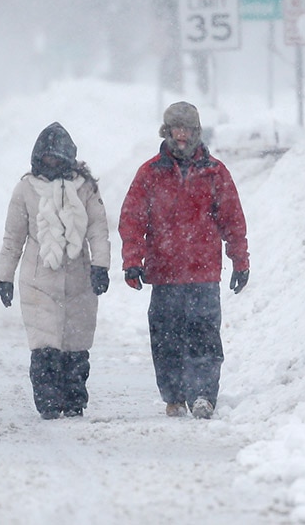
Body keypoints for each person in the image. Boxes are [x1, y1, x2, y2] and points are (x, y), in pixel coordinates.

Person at [118, 101, 250, 420]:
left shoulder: (215, 172)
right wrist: (132, 260)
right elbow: (132, 219)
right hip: (164, 274)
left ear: (196, 131)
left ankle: (204, 394)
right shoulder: (150, 173)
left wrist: (240, 261)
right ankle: (174, 395)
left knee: (205, 336)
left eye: (187, 129)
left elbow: (232, 220)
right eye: (176, 129)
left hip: (203, 274)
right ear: (166, 131)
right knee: (166, 341)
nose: (182, 135)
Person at [0, 122, 111, 420]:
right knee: (45, 345)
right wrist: (4, 277)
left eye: (57, 158)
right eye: (47, 158)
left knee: (76, 345)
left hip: (79, 279)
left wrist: (100, 265)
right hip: (38, 279)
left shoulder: (85, 188)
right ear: (37, 158)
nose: (52, 163)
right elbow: (13, 238)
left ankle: (74, 400)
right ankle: (47, 400)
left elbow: (99, 228)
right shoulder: (25, 190)